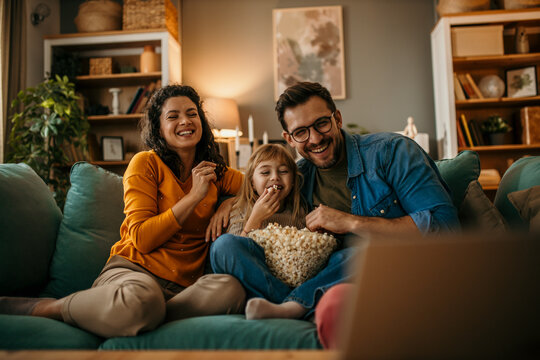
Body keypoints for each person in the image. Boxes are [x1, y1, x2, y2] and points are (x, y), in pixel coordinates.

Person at [0, 85, 246, 338]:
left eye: (192, 113)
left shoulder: (214, 171)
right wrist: (195, 196)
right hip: (133, 275)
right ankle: (54, 307)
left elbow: (259, 185)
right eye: (173, 116)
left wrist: (230, 203)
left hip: (184, 289)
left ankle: (147, 316)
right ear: (159, 127)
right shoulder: (146, 163)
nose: (185, 121)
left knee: (231, 289)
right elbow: (142, 238)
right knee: (141, 301)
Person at [212, 81, 460, 325]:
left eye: (321, 123)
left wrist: (350, 222)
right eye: (301, 132)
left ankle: (295, 305)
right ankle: (292, 306)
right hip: (327, 279)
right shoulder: (299, 178)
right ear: (289, 138)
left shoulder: (392, 152)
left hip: (391, 270)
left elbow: (445, 226)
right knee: (223, 247)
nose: (315, 138)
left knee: (359, 252)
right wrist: (226, 203)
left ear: (337, 119)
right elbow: (257, 187)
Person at [212, 143, 320, 319]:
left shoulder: (300, 212)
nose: (275, 177)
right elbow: (232, 253)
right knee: (223, 244)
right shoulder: (240, 209)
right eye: (265, 172)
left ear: (293, 181)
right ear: (252, 183)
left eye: (283, 172)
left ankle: (286, 304)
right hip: (253, 279)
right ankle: (290, 304)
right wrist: (256, 219)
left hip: (289, 279)